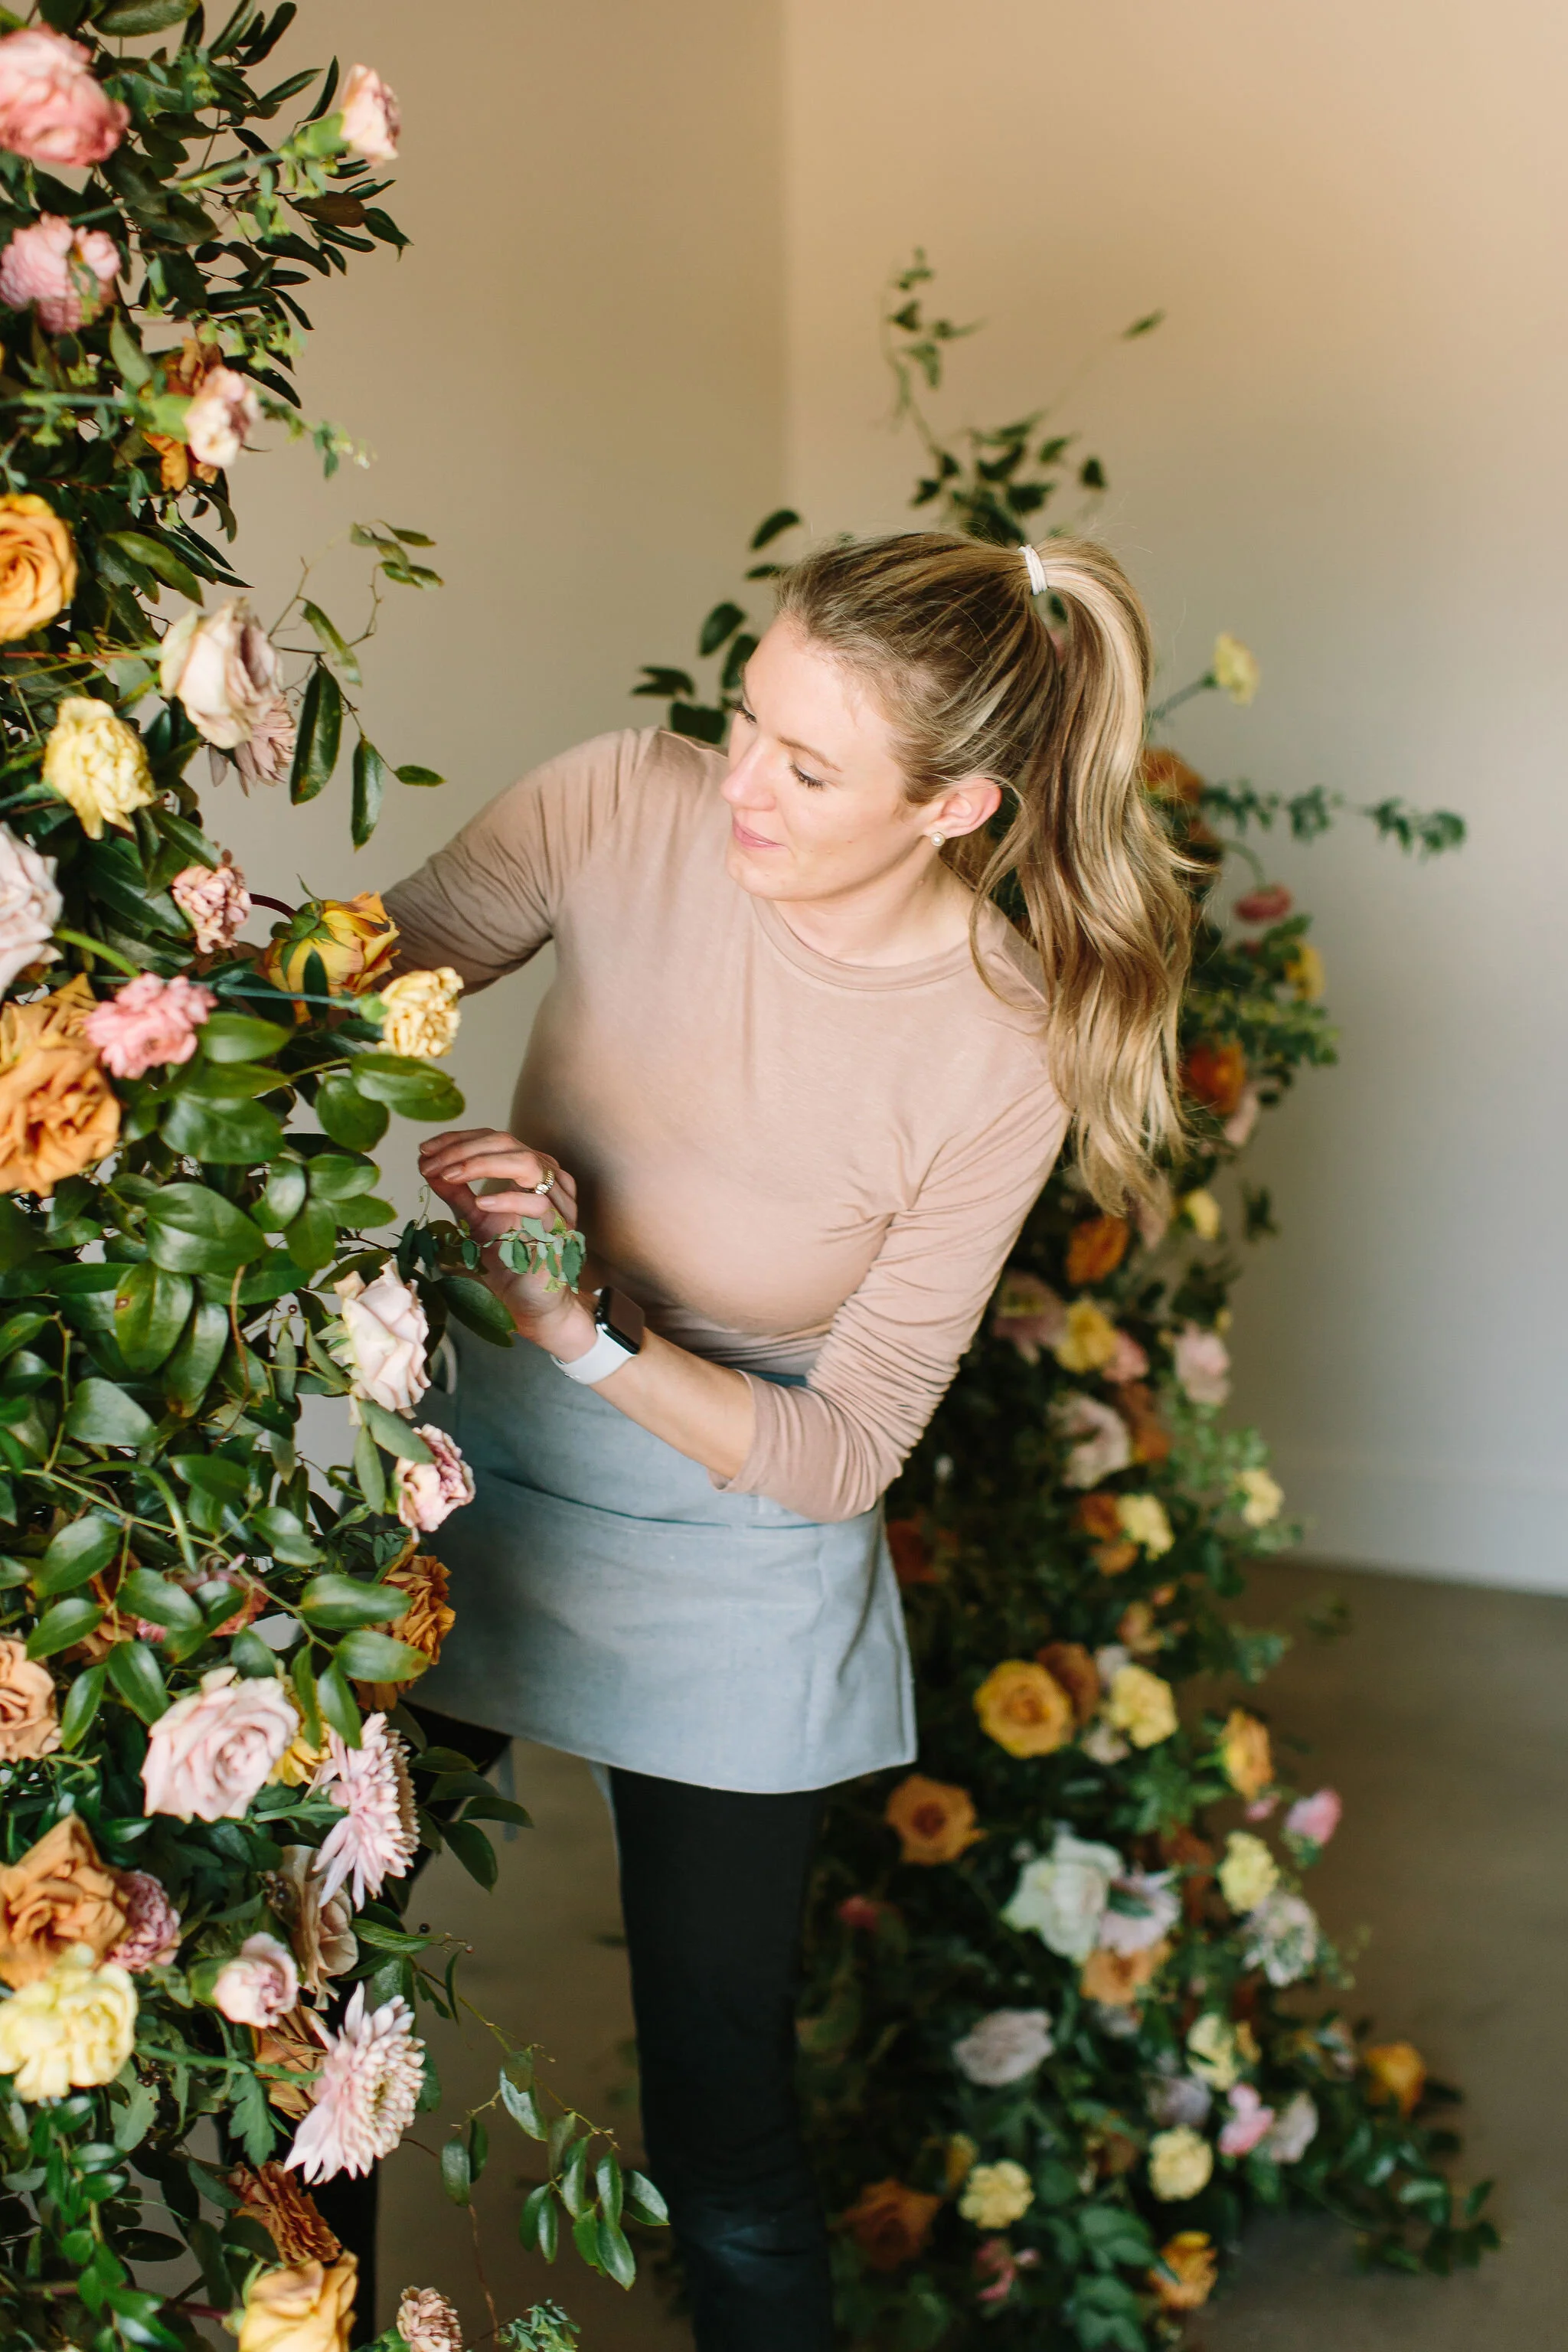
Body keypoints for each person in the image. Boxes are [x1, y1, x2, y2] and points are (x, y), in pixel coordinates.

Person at [364, 531, 1191, 2349]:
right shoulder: (610, 803)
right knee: (317, 2009)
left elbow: (840, 1455)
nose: (734, 782)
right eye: (744, 718)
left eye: (806, 769)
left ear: (956, 803)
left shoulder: (999, 1047)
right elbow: (345, 989)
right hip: (468, 1484)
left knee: (721, 2132)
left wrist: (583, 1327)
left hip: (737, 1548)